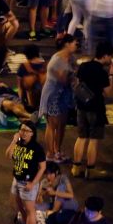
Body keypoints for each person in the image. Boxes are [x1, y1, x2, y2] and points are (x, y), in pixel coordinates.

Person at [72, 42, 113, 179]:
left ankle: (76, 167)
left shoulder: (84, 66)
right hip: (96, 109)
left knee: (81, 137)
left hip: (81, 107)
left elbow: (78, 84)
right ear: (106, 55)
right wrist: (111, 75)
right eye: (111, 56)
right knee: (94, 139)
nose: (111, 59)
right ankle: (90, 169)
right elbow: (107, 92)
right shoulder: (102, 72)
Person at [39, 35, 78, 164]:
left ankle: (57, 151)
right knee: (52, 125)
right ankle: (50, 154)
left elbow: (74, 72)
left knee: (62, 125)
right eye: (74, 43)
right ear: (67, 44)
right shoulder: (57, 60)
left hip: (64, 94)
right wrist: (73, 77)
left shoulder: (71, 57)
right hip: (53, 94)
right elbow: (63, 79)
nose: (76, 45)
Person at [7, 120, 46, 224]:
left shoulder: (37, 148)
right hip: (17, 179)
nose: (23, 133)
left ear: (32, 133)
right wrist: (13, 140)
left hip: (28, 182)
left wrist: (33, 183)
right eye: (21, 130)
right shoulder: (18, 143)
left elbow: (42, 167)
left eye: (27, 131)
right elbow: (8, 155)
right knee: (19, 206)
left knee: (30, 210)